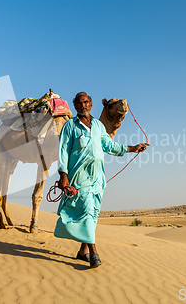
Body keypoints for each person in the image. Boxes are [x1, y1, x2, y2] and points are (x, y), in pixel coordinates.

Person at [54, 91, 147, 268]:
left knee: (93, 213)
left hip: (98, 177)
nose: (83, 105)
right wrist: (63, 175)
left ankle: (82, 252)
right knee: (87, 210)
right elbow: (63, 151)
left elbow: (109, 146)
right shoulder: (70, 127)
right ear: (75, 106)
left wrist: (133, 148)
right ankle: (94, 254)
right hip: (79, 177)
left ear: (91, 104)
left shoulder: (97, 125)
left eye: (86, 102)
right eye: (80, 103)